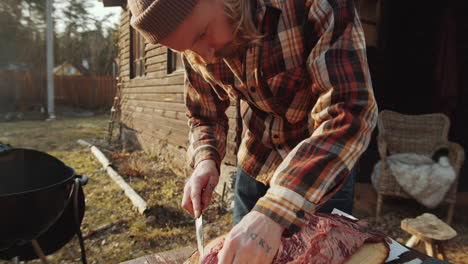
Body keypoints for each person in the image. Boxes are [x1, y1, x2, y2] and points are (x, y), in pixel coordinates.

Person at [128, 0, 378, 263]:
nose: (206, 56)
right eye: (189, 47)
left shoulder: (313, 5)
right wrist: (205, 160)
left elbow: (348, 110)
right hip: (256, 167)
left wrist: (275, 210)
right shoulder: (196, 42)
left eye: (202, 34)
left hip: (318, 174)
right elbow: (203, 114)